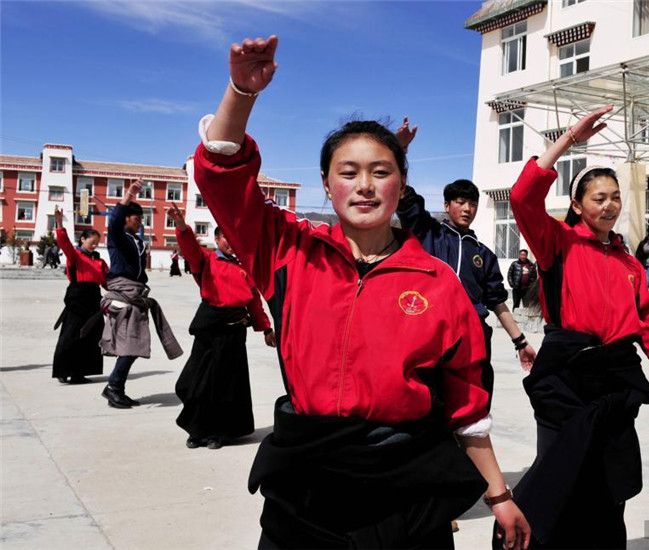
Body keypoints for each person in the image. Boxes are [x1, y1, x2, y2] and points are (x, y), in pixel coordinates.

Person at [193, 35, 530, 550]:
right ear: (327, 186)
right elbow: (222, 177)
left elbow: (465, 404)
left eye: (381, 172)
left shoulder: (438, 283)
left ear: (401, 184)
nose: (365, 185)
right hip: (307, 479)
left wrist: (499, 495)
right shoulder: (287, 250)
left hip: (405, 485)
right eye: (348, 173)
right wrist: (241, 92)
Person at [508, 105, 649, 549]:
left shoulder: (630, 265)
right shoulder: (555, 244)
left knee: (610, 486)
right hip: (565, 383)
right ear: (577, 206)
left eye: (615, 196)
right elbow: (523, 198)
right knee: (562, 485)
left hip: (615, 384)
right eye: (598, 197)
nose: (609, 205)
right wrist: (567, 142)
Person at [395, 119, 536, 407]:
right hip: (426, 333)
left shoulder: (484, 255)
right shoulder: (428, 233)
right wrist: (400, 153)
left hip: (472, 337)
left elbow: (498, 302)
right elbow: (404, 198)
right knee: (425, 408)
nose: (468, 209)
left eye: (472, 203)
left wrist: (520, 342)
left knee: (474, 410)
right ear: (447, 206)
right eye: (460, 202)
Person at [168, 204, 276, 450]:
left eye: (233, 237)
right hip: (209, 328)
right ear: (216, 239)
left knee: (224, 386)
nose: (229, 242)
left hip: (234, 333)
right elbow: (190, 249)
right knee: (196, 382)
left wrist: (266, 329)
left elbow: (254, 302)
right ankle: (196, 430)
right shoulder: (206, 261)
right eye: (224, 236)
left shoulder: (245, 268)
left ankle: (217, 432)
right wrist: (182, 226)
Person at [99, 180, 183, 409]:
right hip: (123, 295)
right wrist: (128, 194)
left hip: (136, 293)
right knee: (131, 345)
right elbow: (114, 221)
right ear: (127, 218)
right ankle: (113, 388)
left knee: (133, 345)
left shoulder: (137, 241)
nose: (140, 223)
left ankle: (117, 387)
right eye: (137, 219)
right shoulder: (117, 238)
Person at [51, 206, 108, 384]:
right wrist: (59, 222)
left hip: (94, 297)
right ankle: (63, 371)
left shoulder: (100, 261)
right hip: (77, 297)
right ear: (82, 239)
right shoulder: (74, 255)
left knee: (91, 336)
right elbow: (64, 242)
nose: (95, 244)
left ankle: (80, 373)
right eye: (92, 241)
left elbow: (108, 281)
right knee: (71, 334)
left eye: (97, 242)